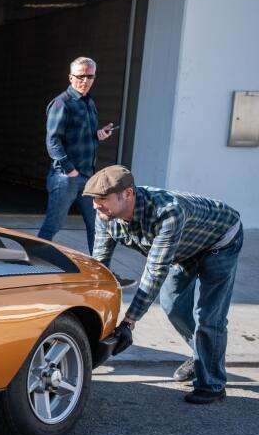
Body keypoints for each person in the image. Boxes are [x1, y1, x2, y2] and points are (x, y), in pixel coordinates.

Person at [85, 165, 242, 404]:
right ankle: (202, 356)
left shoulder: (168, 213)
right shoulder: (106, 216)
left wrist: (129, 322)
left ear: (128, 194)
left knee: (209, 316)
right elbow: (100, 265)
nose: (96, 205)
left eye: (102, 199)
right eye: (94, 199)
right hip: (185, 248)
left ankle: (212, 385)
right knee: (173, 306)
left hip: (220, 242)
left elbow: (155, 270)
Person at [38, 56, 116, 253]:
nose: (85, 81)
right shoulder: (61, 104)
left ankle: (100, 271)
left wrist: (99, 135)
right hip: (66, 177)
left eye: (90, 76)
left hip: (87, 177)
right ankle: (34, 265)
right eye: (81, 76)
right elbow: (53, 142)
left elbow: (80, 137)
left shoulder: (89, 102)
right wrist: (70, 170)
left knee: (98, 226)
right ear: (70, 77)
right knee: (52, 226)